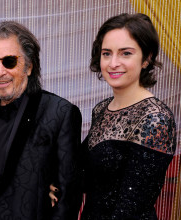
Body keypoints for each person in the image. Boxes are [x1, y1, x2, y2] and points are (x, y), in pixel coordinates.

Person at [50, 13, 177, 219]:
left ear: (147, 58)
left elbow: (131, 207)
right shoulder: (102, 110)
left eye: (125, 53)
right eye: (107, 53)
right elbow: (80, 172)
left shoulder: (155, 118)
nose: (113, 63)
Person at [0, 21, 83, 219]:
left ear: (29, 66)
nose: (0, 72)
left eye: (9, 61)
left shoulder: (59, 112)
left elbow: (67, 198)